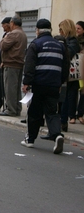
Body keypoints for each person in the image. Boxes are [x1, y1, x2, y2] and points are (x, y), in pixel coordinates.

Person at [21, 19, 69, 154]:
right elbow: (65, 66)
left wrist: (26, 83)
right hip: (54, 85)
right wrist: (60, 82)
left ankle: (30, 140)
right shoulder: (60, 46)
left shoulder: (36, 44)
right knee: (52, 113)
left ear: (37, 30)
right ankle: (57, 135)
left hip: (38, 84)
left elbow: (29, 66)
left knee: (35, 112)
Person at [0, 15, 27, 116]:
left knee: (10, 88)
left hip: (11, 64)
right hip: (18, 63)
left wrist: (4, 38)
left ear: (12, 23)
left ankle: (11, 109)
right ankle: (17, 108)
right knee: (16, 88)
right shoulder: (23, 33)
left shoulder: (13, 34)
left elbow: (3, 46)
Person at [59, 19, 81, 132]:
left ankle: (63, 122)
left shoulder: (73, 41)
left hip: (71, 76)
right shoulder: (66, 40)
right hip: (65, 73)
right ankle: (61, 121)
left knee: (66, 99)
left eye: (61, 29)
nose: (60, 32)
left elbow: (68, 53)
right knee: (62, 98)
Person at [0, 17, 12, 112]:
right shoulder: (5, 34)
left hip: (6, 63)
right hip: (0, 62)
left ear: (8, 24)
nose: (2, 27)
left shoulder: (12, 35)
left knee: (6, 86)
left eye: (3, 25)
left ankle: (6, 105)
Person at [75, 21, 84, 124]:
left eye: (79, 28)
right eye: (76, 28)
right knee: (73, 91)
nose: (77, 30)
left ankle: (80, 114)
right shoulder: (75, 40)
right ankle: (72, 114)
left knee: (83, 93)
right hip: (76, 68)